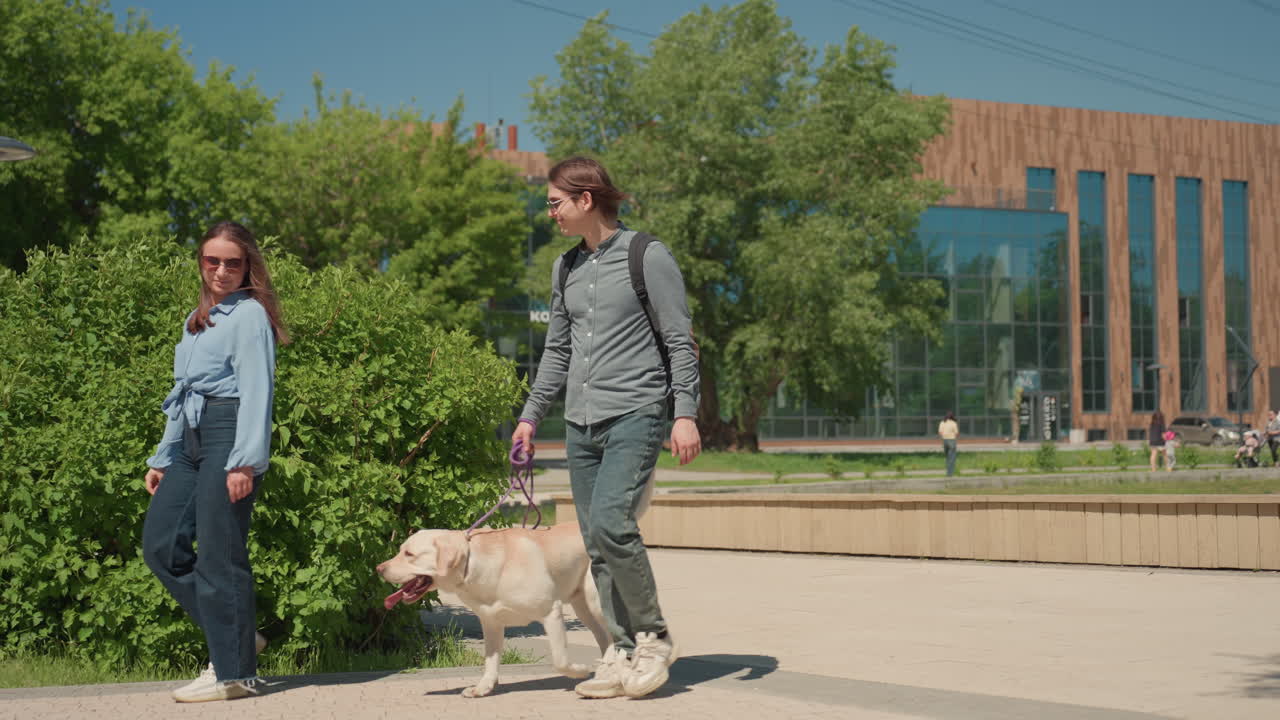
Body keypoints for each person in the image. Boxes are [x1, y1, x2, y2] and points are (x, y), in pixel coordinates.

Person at [511, 157, 700, 700]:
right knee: (595, 542)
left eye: (554, 203)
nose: (550, 213)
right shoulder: (564, 268)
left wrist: (684, 412)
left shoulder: (648, 256)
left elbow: (678, 339)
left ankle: (653, 637)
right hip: (580, 422)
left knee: (614, 524)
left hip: (636, 412)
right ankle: (618, 650)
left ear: (585, 199)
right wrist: (529, 416)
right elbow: (557, 351)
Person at [142, 221, 288, 703]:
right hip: (190, 438)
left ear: (248, 266)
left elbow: (256, 391)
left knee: (220, 557)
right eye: (212, 261)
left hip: (228, 435)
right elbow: (182, 394)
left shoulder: (248, 315)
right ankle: (238, 639)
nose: (221, 270)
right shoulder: (199, 317)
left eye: (232, 262)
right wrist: (166, 454)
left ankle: (234, 675)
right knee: (161, 547)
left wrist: (245, 462)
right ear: (201, 263)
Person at [937, 411, 959, 477]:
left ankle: (947, 472)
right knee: (952, 458)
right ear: (952, 416)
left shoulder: (942, 422)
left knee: (947, 457)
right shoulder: (953, 423)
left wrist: (943, 438)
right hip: (952, 440)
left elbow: (940, 432)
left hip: (944, 441)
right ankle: (950, 474)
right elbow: (956, 433)